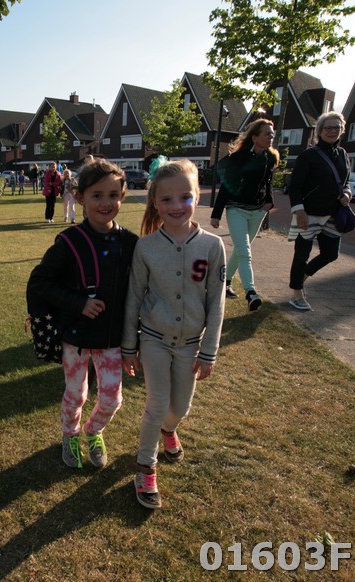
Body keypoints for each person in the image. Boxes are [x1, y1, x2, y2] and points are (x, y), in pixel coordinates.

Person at [122, 158, 226, 509]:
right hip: (153, 339)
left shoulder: (212, 246)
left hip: (190, 345)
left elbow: (216, 303)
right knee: (156, 404)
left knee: (179, 408)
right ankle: (145, 467)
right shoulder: (145, 247)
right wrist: (129, 346)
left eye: (185, 197)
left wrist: (209, 350)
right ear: (154, 202)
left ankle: (170, 430)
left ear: (198, 196)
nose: (176, 206)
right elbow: (134, 298)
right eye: (166, 199)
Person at [27, 158, 138, 469]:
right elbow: (40, 282)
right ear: (80, 198)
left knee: (113, 399)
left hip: (112, 338)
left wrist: (137, 339)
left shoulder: (130, 243)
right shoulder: (68, 242)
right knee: (76, 395)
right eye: (97, 195)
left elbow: (141, 291)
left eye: (113, 195)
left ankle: (94, 430)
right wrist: (79, 303)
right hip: (75, 337)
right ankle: (70, 434)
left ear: (123, 196)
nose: (106, 203)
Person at [287, 111, 353, 311]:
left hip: (333, 213)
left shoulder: (343, 155)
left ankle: (301, 278)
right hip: (309, 213)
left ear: (342, 130)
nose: (333, 131)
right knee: (302, 254)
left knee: (331, 254)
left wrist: (348, 193)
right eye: (328, 127)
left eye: (337, 127)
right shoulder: (308, 156)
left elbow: (346, 182)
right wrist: (299, 211)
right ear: (320, 130)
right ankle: (297, 293)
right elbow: (295, 186)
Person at [210, 119, 278, 311]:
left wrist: (269, 201)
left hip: (258, 211)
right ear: (255, 137)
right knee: (245, 252)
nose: (271, 136)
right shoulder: (238, 158)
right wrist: (216, 214)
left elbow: (268, 182)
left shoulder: (270, 157)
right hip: (236, 210)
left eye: (272, 134)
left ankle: (225, 282)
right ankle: (251, 292)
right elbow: (226, 186)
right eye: (267, 133)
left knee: (241, 251)